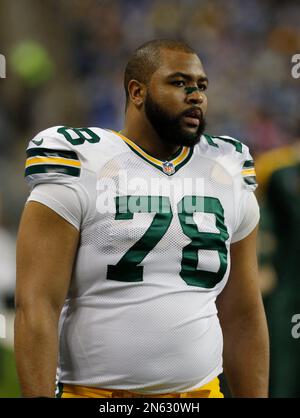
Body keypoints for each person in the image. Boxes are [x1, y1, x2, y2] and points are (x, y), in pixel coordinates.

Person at [15, 39, 269, 398]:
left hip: (200, 395)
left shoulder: (225, 167)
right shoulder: (81, 161)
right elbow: (37, 305)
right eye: (179, 83)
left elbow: (243, 311)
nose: (195, 95)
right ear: (137, 91)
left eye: (202, 86)